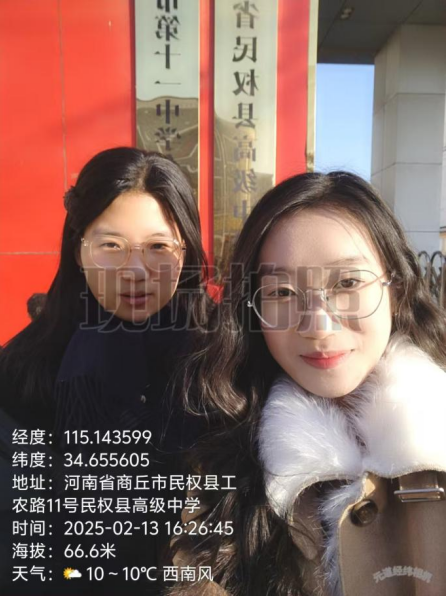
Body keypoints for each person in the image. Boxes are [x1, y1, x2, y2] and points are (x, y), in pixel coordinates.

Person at [168, 171, 446, 596]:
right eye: (281, 292)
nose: (317, 326)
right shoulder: (220, 465)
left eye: (348, 283)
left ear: (396, 287)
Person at [0, 147, 210, 595]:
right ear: (79, 251)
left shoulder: (223, 363)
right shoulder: (19, 375)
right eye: (111, 245)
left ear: (186, 253)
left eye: (158, 247)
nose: (135, 271)